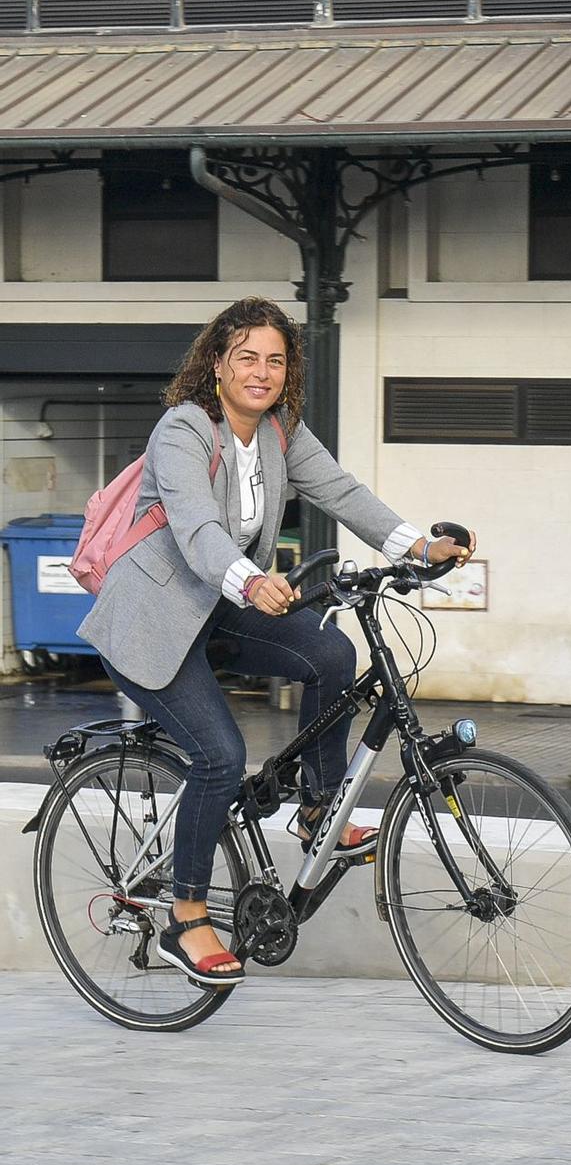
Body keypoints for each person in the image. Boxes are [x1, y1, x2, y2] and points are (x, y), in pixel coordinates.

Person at [78, 298, 474, 988]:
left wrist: (417, 544)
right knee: (219, 757)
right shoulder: (183, 430)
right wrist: (250, 578)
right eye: (247, 357)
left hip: (217, 608)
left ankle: (319, 808)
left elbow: (341, 492)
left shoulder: (280, 430)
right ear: (217, 363)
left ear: (287, 372)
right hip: (151, 621)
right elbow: (197, 527)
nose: (262, 372)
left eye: (276, 359)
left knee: (330, 653)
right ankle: (187, 916)